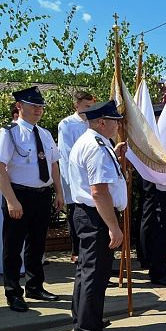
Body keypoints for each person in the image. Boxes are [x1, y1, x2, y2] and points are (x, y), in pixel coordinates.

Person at [69, 100, 126, 331]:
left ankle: (84, 322)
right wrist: (113, 227)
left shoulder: (95, 143)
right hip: (96, 216)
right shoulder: (96, 147)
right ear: (102, 122)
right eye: (114, 121)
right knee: (95, 274)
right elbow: (99, 191)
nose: (118, 125)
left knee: (85, 271)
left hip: (88, 214)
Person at [0, 87, 64, 313]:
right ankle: (13, 292)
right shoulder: (9, 133)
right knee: (13, 246)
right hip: (19, 194)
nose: (38, 109)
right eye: (33, 105)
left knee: (37, 244)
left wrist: (59, 192)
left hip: (42, 195)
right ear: (19, 106)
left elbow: (53, 164)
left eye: (40, 106)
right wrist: (11, 200)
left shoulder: (45, 134)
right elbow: (0, 169)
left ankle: (35, 286)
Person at [139, 104, 166, 286]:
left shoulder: (165, 136)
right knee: (160, 229)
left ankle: (161, 264)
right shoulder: (152, 139)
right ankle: (155, 269)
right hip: (159, 189)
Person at [58, 90, 95, 264]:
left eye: (91, 106)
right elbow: (66, 155)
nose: (89, 110)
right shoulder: (66, 124)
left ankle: (91, 257)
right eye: (86, 106)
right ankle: (78, 254)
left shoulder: (92, 123)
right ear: (76, 105)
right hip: (76, 179)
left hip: (93, 179)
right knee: (77, 218)